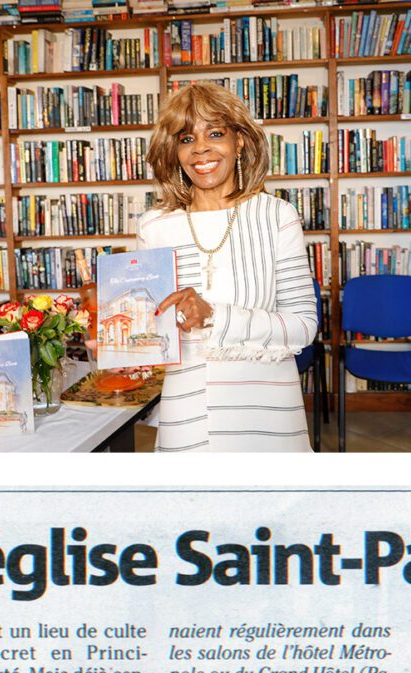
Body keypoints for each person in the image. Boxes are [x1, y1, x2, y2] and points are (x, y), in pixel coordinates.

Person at [139, 83, 317, 452]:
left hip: (265, 407)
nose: (201, 147)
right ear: (174, 152)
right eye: (186, 138)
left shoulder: (277, 216)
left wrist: (214, 316)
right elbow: (152, 332)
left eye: (215, 133)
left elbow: (304, 326)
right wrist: (122, 339)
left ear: (239, 142)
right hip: (185, 406)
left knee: (267, 508)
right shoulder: (154, 226)